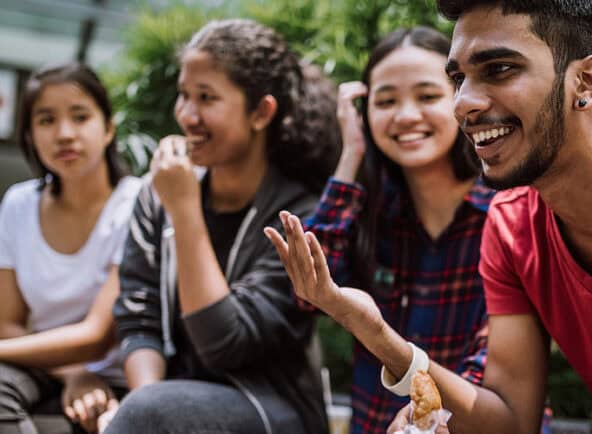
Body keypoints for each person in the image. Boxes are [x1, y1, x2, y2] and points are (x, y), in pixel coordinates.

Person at [268, 1, 592, 434]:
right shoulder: (512, 222)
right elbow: (510, 421)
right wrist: (375, 333)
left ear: (587, 81)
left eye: (499, 69)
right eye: (458, 78)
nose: (463, 102)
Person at [101, 19, 338, 434]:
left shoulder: (298, 216)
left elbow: (225, 343)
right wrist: (140, 405)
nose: (187, 115)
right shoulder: (156, 195)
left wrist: (185, 211)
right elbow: (139, 322)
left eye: (206, 98)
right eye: (184, 95)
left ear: (261, 112)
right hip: (169, 399)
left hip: (272, 406)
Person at [266, 26, 494, 434]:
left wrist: (434, 417)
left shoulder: (504, 213)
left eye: (427, 96)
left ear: (461, 99)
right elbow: (308, 296)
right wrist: (350, 154)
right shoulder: (368, 208)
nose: (406, 115)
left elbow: (499, 358)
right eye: (386, 101)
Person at [0, 63, 141, 434]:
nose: (64, 134)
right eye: (46, 120)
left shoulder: (135, 204)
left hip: (122, 377)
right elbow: (7, 323)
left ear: (108, 128)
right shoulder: (18, 204)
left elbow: (97, 337)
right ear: (29, 134)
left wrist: (85, 373)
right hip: (44, 369)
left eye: (80, 117)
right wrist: (72, 375)